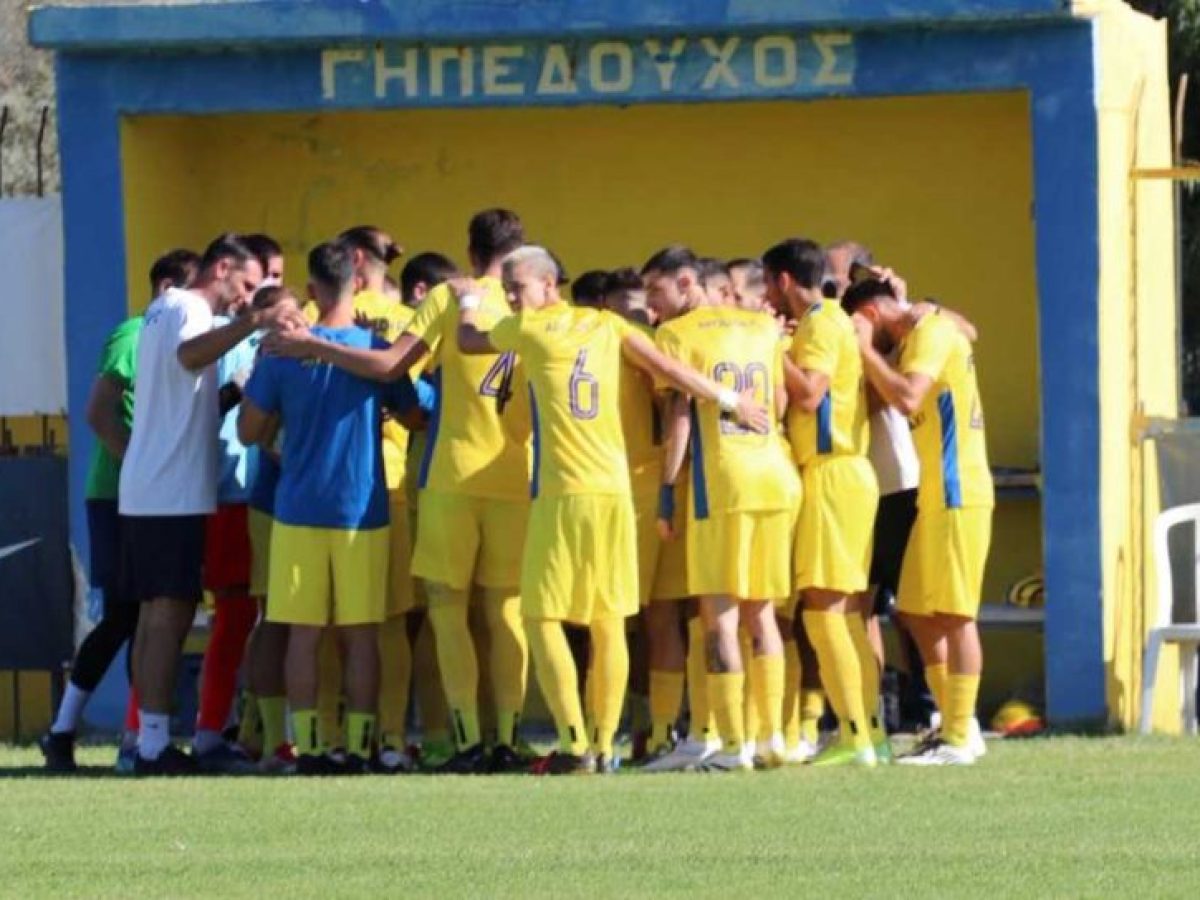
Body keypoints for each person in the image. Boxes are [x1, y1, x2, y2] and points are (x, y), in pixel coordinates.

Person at [456, 245, 767, 773]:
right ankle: (604, 748)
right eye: (506, 291)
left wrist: (468, 302)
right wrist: (732, 401)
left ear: (549, 286)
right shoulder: (608, 326)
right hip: (615, 493)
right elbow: (670, 369)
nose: (511, 299)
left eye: (518, 290)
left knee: (540, 615)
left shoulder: (527, 329)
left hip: (564, 496)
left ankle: (577, 743)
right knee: (608, 618)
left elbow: (468, 341)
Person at [267, 210, 531, 774]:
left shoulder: (449, 296)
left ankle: (461, 741)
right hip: (515, 479)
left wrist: (314, 344)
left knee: (444, 612)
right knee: (505, 612)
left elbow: (390, 365)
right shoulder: (533, 304)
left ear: (470, 247)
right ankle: (505, 737)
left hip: (448, 478)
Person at [239, 241, 417, 775]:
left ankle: (312, 747)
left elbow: (249, 431)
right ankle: (361, 746)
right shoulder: (373, 349)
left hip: (296, 507)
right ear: (358, 286)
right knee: (362, 634)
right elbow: (416, 416)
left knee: (303, 633)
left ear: (312, 289)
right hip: (363, 509)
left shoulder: (283, 350)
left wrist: (278, 418)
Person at [120, 233, 293, 775]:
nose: (244, 298)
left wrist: (231, 392)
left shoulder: (161, 309)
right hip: (169, 490)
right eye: (243, 285)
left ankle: (146, 741)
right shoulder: (189, 308)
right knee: (168, 615)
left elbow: (182, 389)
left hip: (154, 486)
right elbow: (191, 355)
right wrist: (250, 325)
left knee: (157, 613)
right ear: (221, 268)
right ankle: (151, 745)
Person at [39, 249, 200, 773]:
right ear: (169, 288)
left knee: (139, 615)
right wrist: (142, 462)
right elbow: (97, 410)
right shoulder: (137, 334)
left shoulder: (171, 337)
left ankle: (135, 737)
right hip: (117, 495)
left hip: (139, 495)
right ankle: (62, 731)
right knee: (126, 614)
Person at [647, 245, 799, 772]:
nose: (651, 304)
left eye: (657, 291)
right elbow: (778, 403)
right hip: (776, 475)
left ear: (689, 284)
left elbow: (680, 421)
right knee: (763, 614)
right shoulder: (762, 328)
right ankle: (772, 737)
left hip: (724, 482)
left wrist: (668, 491)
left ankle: (733, 745)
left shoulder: (676, 336)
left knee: (719, 619)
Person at [845, 281, 995, 766]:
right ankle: (958, 723)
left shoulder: (931, 333)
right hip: (934, 496)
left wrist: (865, 350)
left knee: (954, 615)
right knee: (913, 609)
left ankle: (958, 736)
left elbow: (909, 398)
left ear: (869, 311)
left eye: (859, 322)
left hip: (958, 490)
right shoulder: (916, 334)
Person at [763, 238, 882, 768]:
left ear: (784, 280)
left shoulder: (819, 322)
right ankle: (868, 730)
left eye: (768, 282)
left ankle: (857, 735)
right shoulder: (829, 322)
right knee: (843, 611)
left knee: (824, 610)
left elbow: (810, 393)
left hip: (833, 472)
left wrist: (772, 350)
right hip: (842, 473)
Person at [192, 232, 286, 773]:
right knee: (232, 615)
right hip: (231, 492)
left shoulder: (285, 336)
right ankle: (209, 731)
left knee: (273, 618)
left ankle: (250, 730)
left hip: (273, 497)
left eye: (275, 277)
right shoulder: (226, 337)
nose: (268, 288)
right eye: (259, 279)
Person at [235, 284, 302, 773]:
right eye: (281, 320)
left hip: (301, 505)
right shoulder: (269, 362)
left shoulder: (311, 353)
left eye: (296, 317)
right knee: (274, 619)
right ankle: (275, 738)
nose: (292, 326)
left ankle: (259, 729)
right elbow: (257, 435)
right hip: (274, 506)